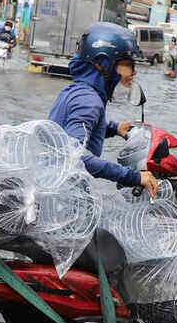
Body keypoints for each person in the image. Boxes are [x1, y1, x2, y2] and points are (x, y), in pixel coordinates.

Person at [48, 22, 160, 197]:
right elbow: (74, 156)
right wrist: (133, 177)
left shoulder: (78, 91)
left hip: (56, 185)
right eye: (129, 64)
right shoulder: (88, 102)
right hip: (62, 195)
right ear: (103, 63)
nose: (134, 72)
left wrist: (114, 128)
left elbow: (73, 131)